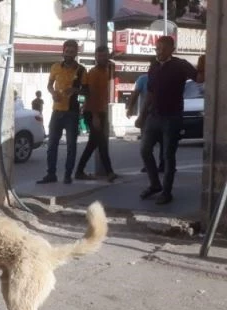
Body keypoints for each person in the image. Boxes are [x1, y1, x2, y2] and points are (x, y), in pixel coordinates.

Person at [135, 36, 204, 205]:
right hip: (154, 116)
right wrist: (142, 115)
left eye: (162, 49)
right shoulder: (154, 66)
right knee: (144, 150)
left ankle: (166, 192)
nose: (159, 52)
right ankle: (154, 185)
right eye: (157, 49)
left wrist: (204, 64)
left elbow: (199, 79)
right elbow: (150, 93)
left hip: (172, 117)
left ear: (171, 49)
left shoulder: (180, 64)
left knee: (168, 156)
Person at [37, 39, 87, 185]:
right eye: (67, 51)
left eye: (72, 52)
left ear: (76, 53)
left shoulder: (81, 70)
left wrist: (74, 90)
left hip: (72, 113)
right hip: (56, 111)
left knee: (71, 146)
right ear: (63, 51)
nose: (69, 54)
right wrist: (52, 93)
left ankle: (67, 175)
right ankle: (51, 174)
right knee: (52, 145)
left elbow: (86, 90)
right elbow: (49, 85)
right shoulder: (55, 67)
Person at [74, 45, 118, 183]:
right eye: (99, 56)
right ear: (95, 57)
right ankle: (109, 172)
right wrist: (95, 116)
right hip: (93, 112)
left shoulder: (107, 70)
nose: (102, 58)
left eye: (104, 55)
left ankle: (79, 171)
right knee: (102, 143)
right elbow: (91, 95)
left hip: (101, 111)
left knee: (93, 144)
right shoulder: (93, 73)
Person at [127, 73, 164, 173]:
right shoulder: (163, 77)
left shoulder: (143, 78)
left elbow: (136, 93)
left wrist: (130, 108)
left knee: (147, 143)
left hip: (148, 115)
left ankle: (149, 166)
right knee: (163, 142)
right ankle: (163, 165)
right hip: (161, 115)